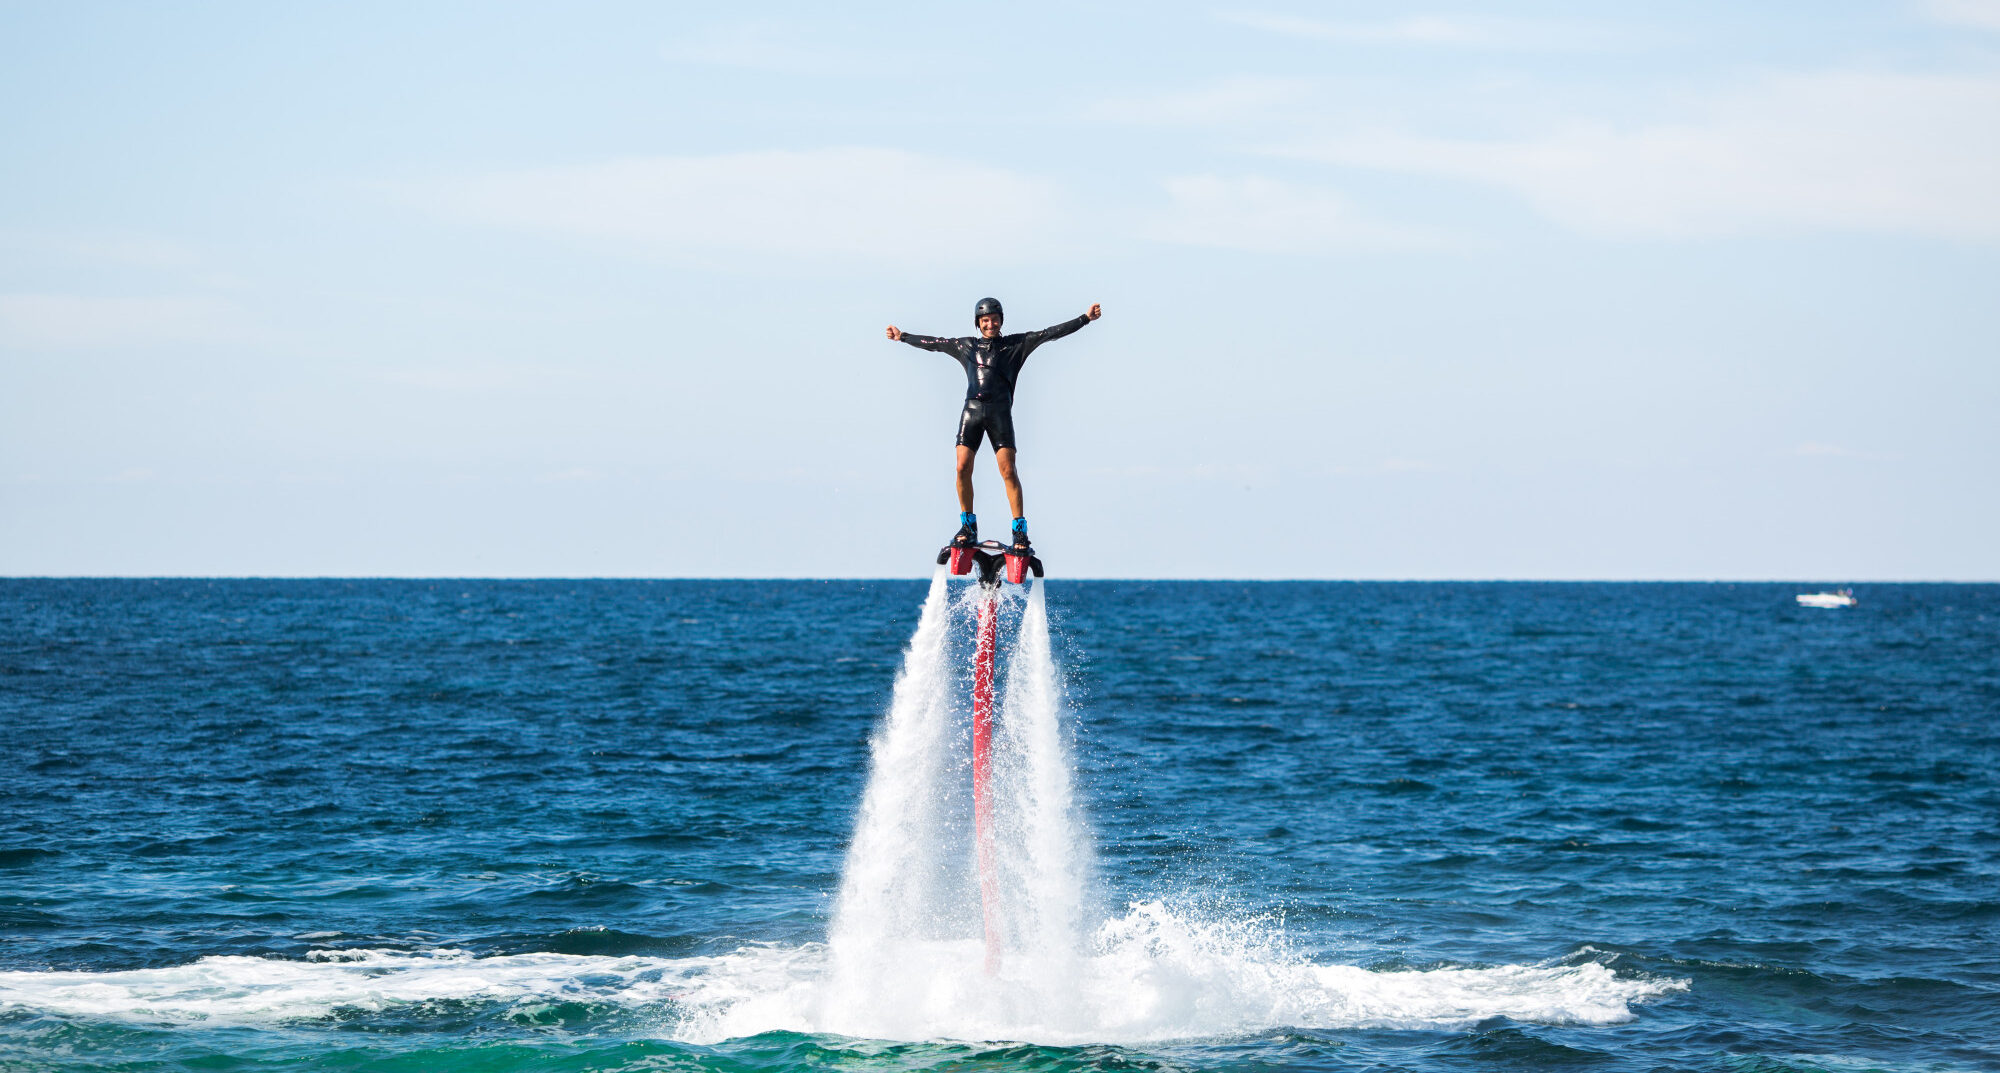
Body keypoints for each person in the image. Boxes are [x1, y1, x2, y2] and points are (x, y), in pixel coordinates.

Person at [887, 297, 1102, 554]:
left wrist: (1085, 319)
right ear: (978, 323)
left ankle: (1020, 531)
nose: (990, 324)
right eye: (985, 320)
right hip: (972, 413)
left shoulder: (1016, 345)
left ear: (1001, 320)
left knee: (1008, 470)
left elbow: (1050, 334)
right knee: (961, 467)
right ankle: (968, 526)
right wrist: (903, 336)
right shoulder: (966, 346)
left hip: (1000, 414)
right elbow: (935, 343)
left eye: (994, 319)